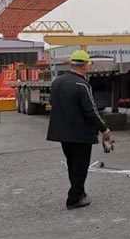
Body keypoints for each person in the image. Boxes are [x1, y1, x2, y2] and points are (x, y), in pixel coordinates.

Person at [46, 50, 111, 209]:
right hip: (80, 134)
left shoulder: (57, 82)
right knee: (80, 167)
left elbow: (53, 103)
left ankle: (79, 193)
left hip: (62, 133)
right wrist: (104, 129)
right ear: (85, 66)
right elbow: (91, 111)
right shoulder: (82, 85)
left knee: (73, 165)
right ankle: (74, 199)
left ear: (72, 64)